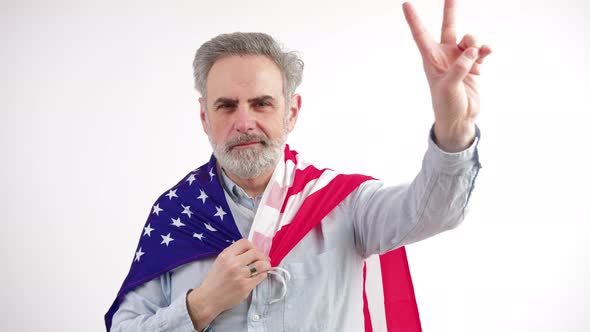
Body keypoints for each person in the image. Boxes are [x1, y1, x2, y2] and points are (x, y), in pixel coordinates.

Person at [106, 0, 492, 331]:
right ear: (205, 117)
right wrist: (202, 304)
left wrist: (454, 127)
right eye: (226, 106)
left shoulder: (345, 204)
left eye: (262, 103)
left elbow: (434, 212)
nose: (244, 123)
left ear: (292, 112)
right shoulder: (176, 213)